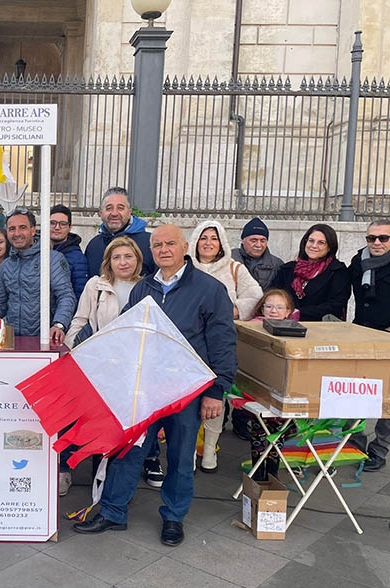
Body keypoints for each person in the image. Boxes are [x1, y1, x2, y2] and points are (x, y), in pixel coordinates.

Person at [73, 224, 236, 547]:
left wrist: (217, 390)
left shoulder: (209, 289)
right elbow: (130, 335)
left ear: (185, 247)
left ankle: (174, 517)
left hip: (187, 390)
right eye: (157, 244)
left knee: (179, 455)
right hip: (146, 388)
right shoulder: (143, 288)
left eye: (170, 244)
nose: (163, 249)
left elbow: (222, 342)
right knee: (129, 450)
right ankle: (113, 511)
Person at [64, 236, 158, 495]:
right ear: (108, 261)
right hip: (100, 369)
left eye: (128, 256)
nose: (122, 262)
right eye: (116, 257)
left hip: (133, 371)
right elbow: (80, 320)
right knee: (100, 428)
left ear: (138, 260)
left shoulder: (148, 287)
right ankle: (99, 485)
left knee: (126, 431)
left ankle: (118, 489)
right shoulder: (97, 285)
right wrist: (74, 354)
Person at [187, 220, 263, 472]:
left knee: (215, 395)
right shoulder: (185, 268)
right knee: (186, 402)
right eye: (204, 237)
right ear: (195, 240)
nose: (208, 243)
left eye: (214, 238)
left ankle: (209, 451)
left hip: (219, 343)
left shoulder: (234, 268)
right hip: (189, 345)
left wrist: (233, 310)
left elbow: (255, 295)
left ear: (221, 243)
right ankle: (187, 451)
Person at [0, 209, 76, 344]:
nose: (17, 233)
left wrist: (59, 325)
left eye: (22, 228)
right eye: (12, 229)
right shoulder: (6, 266)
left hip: (45, 342)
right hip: (13, 342)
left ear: (33, 230)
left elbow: (66, 296)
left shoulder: (51, 259)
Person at [348, 219, 390, 471]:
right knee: (356, 393)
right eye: (371, 238)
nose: (376, 243)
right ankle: (356, 443)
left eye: (383, 238)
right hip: (363, 335)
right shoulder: (359, 262)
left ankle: (379, 449)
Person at [246, 289, 301, 481]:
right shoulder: (253, 327)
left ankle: (272, 472)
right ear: (262, 308)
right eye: (269, 306)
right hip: (259, 390)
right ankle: (259, 475)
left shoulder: (296, 328)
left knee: (281, 431)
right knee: (260, 431)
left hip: (285, 391)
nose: (273, 311)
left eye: (279, 307)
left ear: (288, 311)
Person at [273, 223, 351, 321]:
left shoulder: (337, 271)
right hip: (284, 325)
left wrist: (298, 313)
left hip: (320, 329)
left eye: (321, 243)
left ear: (330, 247)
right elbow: (274, 295)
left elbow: (336, 305)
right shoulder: (287, 269)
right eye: (311, 241)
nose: (314, 246)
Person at [84, 188, 154, 279]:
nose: (114, 213)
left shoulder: (149, 243)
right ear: (101, 214)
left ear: (129, 213)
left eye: (120, 208)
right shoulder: (93, 245)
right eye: (109, 208)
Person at [231, 217, 284, 291]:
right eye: (253, 240)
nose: (258, 245)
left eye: (263, 241)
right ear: (243, 240)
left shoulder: (277, 264)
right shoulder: (229, 258)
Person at [50, 204, 88, 298]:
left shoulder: (78, 259)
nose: (57, 227)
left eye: (62, 224)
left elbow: (80, 294)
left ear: (70, 227)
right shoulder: (35, 250)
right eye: (52, 223)